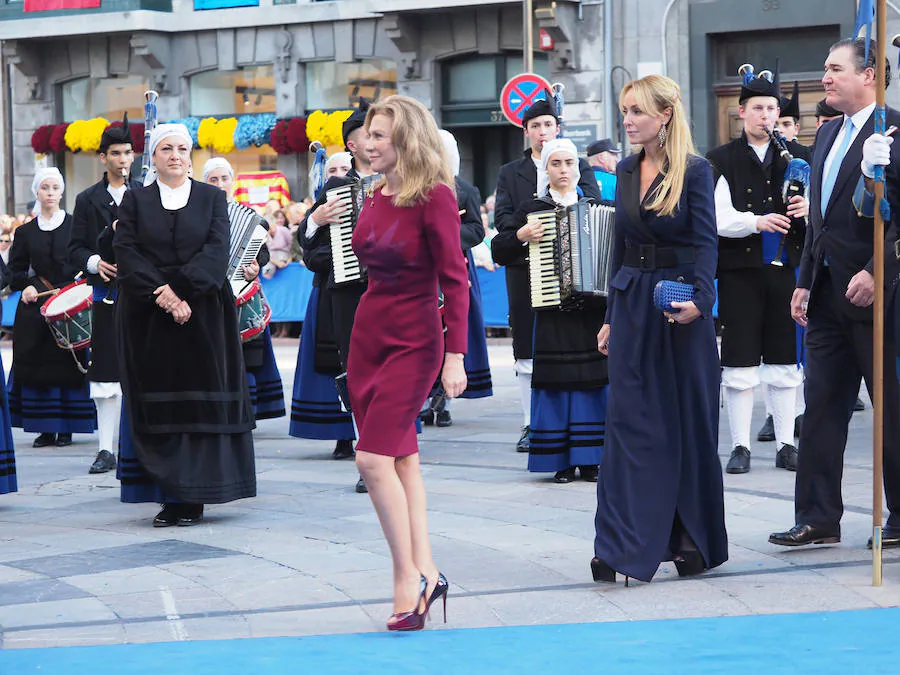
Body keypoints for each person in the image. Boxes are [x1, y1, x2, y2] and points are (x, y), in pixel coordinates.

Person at [592, 74, 727, 583]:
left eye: (637, 112)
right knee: (629, 426)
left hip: (680, 307)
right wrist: (609, 315)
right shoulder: (625, 170)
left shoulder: (695, 171)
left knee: (688, 422)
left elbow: (706, 242)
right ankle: (620, 547)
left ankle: (690, 540)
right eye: (625, 110)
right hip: (631, 306)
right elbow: (619, 249)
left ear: (664, 115)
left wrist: (701, 301)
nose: (627, 120)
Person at [769, 37, 900, 549]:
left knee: (890, 409)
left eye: (835, 68)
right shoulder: (825, 136)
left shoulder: (893, 130)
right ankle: (819, 516)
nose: (825, 77)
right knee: (821, 407)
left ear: (869, 75)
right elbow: (818, 222)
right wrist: (804, 281)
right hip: (825, 294)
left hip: (879, 295)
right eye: (824, 68)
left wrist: (876, 270)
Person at [349, 95, 468, 631]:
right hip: (366, 336)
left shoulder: (435, 197)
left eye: (378, 135)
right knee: (400, 461)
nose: (367, 144)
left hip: (415, 339)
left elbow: (455, 278)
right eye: (367, 135)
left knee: (371, 459)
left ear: (407, 139)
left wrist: (456, 355)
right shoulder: (372, 196)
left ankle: (408, 579)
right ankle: (430, 571)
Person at [114, 124, 256, 527]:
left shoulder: (212, 197)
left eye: (181, 149)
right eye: (166, 149)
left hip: (204, 314)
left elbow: (216, 251)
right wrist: (163, 293)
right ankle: (168, 493)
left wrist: (178, 291)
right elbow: (126, 251)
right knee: (160, 401)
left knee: (199, 403)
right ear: (153, 157)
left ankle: (196, 493)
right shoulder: (135, 201)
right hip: (149, 317)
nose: (175, 155)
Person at [706, 66, 810, 474]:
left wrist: (808, 210)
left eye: (771, 108)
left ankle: (786, 443)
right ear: (742, 112)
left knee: (785, 362)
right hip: (740, 272)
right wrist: (756, 221)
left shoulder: (799, 156)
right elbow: (716, 217)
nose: (766, 115)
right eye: (758, 108)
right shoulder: (720, 159)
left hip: (786, 271)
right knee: (739, 362)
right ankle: (740, 446)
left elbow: (825, 208)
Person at [492, 96, 602, 453]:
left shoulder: (577, 164)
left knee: (582, 354)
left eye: (548, 125)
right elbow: (504, 224)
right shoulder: (510, 172)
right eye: (535, 126)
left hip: (578, 270)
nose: (542, 132)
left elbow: (594, 209)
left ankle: (588, 433)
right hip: (527, 269)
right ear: (526, 132)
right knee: (527, 349)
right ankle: (530, 424)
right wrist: (532, 224)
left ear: (558, 128)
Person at [511, 138, 608, 483]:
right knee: (556, 384)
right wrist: (521, 235)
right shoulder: (532, 207)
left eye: (569, 163)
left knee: (594, 382)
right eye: (556, 164)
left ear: (578, 168)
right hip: (551, 308)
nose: (563, 170)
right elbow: (499, 249)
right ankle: (561, 460)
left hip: (591, 310)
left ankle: (593, 459)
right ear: (546, 169)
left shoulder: (598, 206)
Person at [299, 98, 379, 494]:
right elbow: (309, 250)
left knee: (395, 374)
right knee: (359, 376)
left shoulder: (403, 180)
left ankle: (393, 450)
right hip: (350, 295)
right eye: (368, 134)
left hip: (395, 293)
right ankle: (368, 459)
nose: (376, 140)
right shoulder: (335, 189)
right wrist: (316, 221)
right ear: (351, 145)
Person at [69, 114, 141, 475]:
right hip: (105, 293)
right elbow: (75, 249)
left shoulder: (144, 193)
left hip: (143, 293)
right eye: (116, 153)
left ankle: (141, 443)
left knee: (143, 369)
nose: (123, 160)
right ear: (103, 157)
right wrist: (96, 262)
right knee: (106, 373)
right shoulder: (86, 200)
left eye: (128, 152)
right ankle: (105, 449)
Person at [7, 168, 97, 448]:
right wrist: (28, 286)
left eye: (55, 187)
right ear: (37, 192)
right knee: (38, 366)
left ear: (61, 192)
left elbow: (87, 261)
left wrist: (78, 286)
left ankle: (67, 428)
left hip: (69, 305)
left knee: (68, 366)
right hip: (36, 309)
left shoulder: (74, 227)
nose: (50, 193)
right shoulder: (24, 232)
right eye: (45, 187)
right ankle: (44, 428)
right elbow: (14, 271)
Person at [419, 130, 492, 428]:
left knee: (450, 331)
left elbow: (476, 230)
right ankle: (423, 399)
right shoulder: (417, 189)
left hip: (454, 266)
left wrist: (446, 237)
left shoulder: (464, 189)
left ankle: (443, 402)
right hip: (423, 271)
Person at [203, 157, 285, 422]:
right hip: (209, 295)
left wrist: (253, 269)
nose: (219, 184)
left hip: (241, 293)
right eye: (213, 180)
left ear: (232, 182)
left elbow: (260, 254)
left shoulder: (249, 217)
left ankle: (246, 412)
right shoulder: (197, 215)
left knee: (248, 356)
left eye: (224, 178)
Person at [289, 152, 356, 463]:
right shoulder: (323, 203)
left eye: (345, 169)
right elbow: (306, 244)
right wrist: (316, 218)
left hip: (359, 291)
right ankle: (341, 434)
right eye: (332, 170)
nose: (338, 175)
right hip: (327, 292)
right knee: (330, 362)